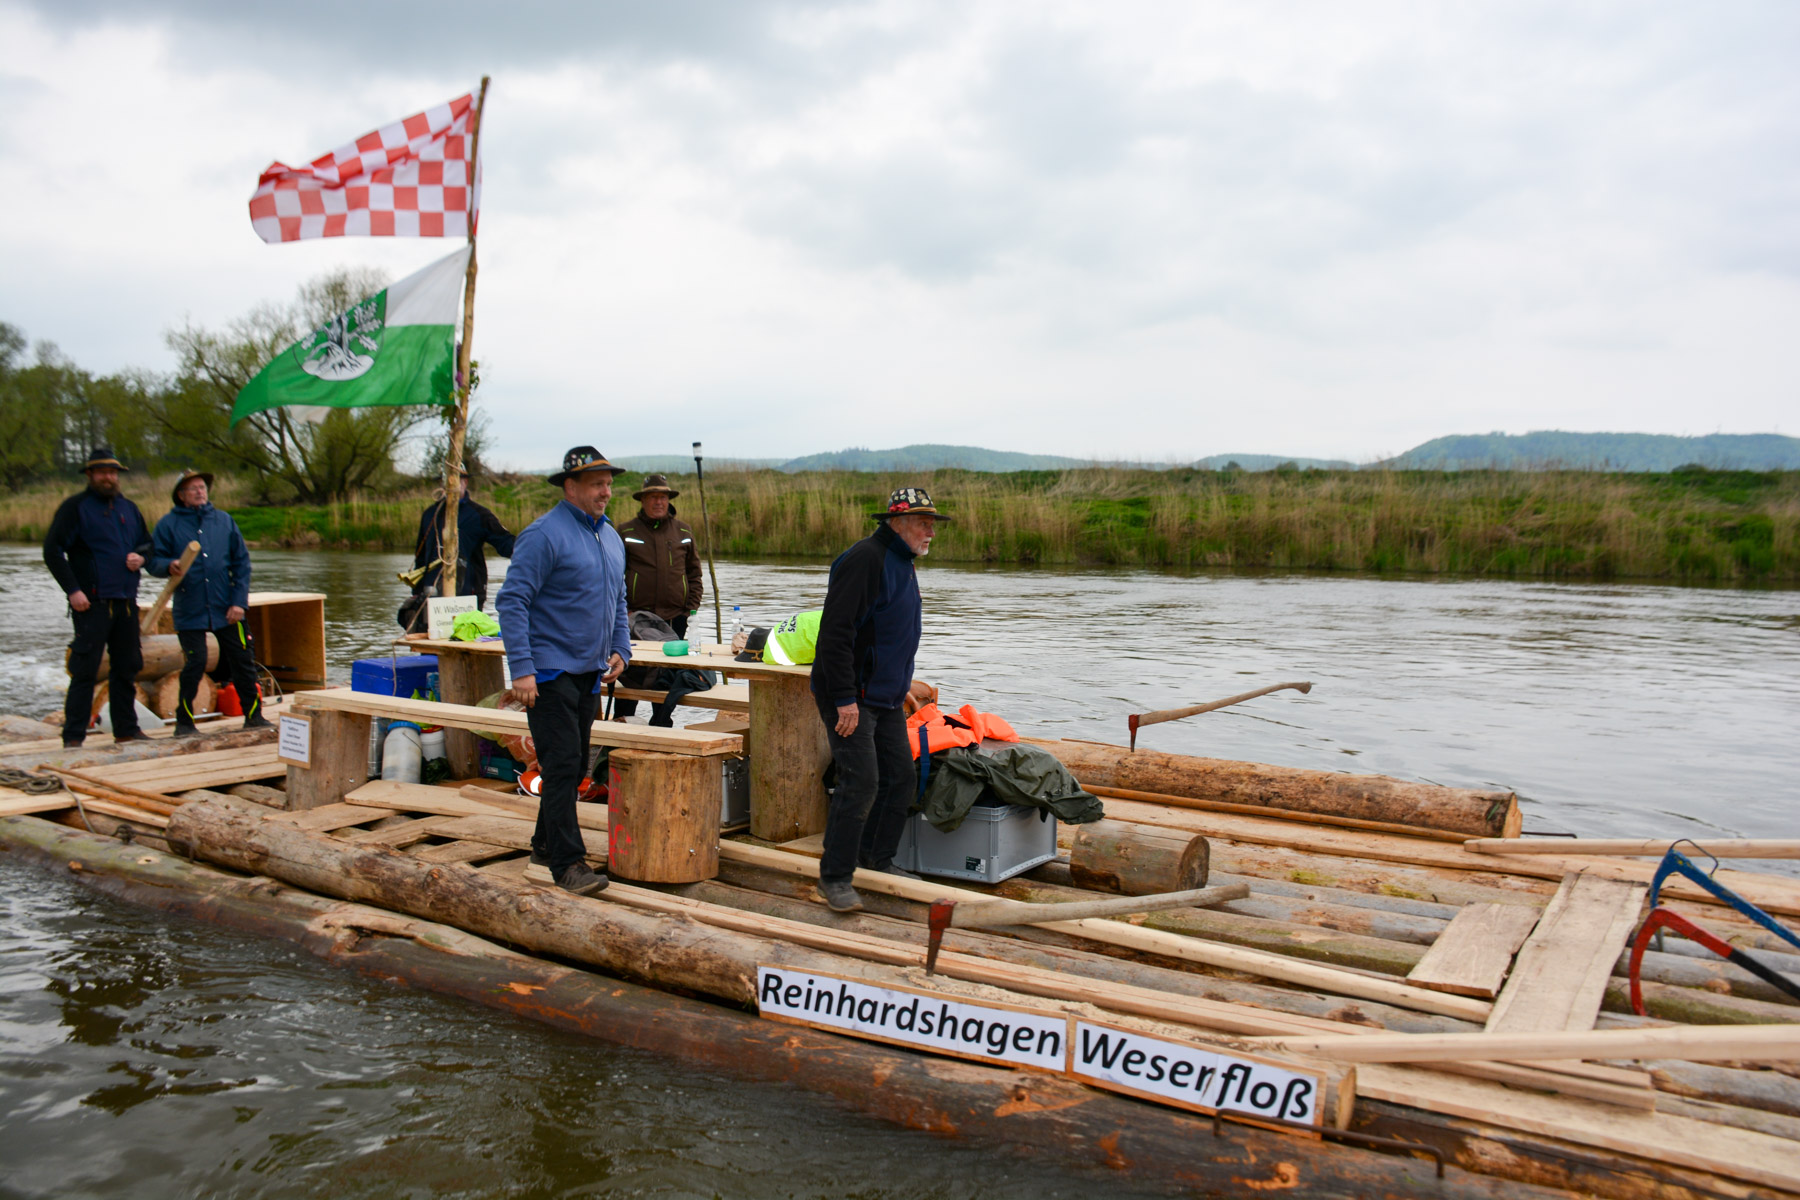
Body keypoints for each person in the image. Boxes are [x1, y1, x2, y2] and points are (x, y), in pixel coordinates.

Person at [494, 446, 632, 896]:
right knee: (560, 768)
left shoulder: (609, 536)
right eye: (597, 484)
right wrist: (522, 669)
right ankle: (568, 865)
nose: (606, 491)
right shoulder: (544, 534)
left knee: (571, 768)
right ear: (570, 486)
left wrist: (621, 648)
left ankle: (544, 845)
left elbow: (618, 601)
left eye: (609, 483)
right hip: (549, 672)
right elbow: (512, 601)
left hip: (590, 671)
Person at [809, 486, 952, 912]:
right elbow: (835, 634)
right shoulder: (866, 559)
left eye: (933, 524)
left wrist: (901, 683)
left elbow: (889, 634)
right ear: (897, 522)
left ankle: (876, 859)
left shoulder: (904, 562)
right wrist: (844, 698)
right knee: (860, 781)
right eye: (924, 523)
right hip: (851, 696)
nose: (931, 531)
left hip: (887, 695)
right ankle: (833, 877)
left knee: (900, 778)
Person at [43, 447, 152, 747]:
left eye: (113, 472)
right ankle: (74, 737)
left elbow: (147, 545)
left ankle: (127, 731)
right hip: (91, 603)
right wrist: (73, 590)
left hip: (126, 603)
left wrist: (140, 558)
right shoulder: (74, 507)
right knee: (84, 671)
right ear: (90, 475)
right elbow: (52, 550)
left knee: (127, 668)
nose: (109, 477)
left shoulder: (129, 508)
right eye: (103, 472)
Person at [147, 469, 269, 736]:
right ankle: (184, 723)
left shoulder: (224, 521)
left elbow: (242, 564)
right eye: (193, 488)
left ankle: (254, 717)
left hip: (226, 606)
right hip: (190, 607)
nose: (200, 491)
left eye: (202, 487)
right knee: (196, 662)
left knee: (243, 659)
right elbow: (152, 563)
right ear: (181, 495)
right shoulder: (168, 524)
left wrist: (239, 602)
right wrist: (170, 565)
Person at [613, 473, 704, 720]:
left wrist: (690, 611)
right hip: (635, 620)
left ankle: (661, 726)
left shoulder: (683, 530)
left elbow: (695, 574)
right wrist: (623, 613)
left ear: (668, 500)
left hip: (675, 619)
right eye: (652, 497)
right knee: (630, 676)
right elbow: (613, 579)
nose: (658, 502)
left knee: (665, 679)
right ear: (642, 500)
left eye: (662, 497)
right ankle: (621, 727)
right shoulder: (625, 531)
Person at [411, 467, 516, 609]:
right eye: (446, 481)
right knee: (434, 631)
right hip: (432, 595)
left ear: (465, 482)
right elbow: (421, 558)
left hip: (469, 594)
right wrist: (417, 592)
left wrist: (533, 551)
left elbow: (506, 544)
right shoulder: (430, 515)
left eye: (455, 480)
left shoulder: (479, 515)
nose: (451, 485)